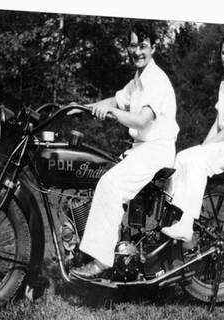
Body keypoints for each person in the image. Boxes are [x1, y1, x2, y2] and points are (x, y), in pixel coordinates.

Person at [70, 22, 179, 279]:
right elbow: (115, 100)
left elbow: (142, 120)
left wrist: (113, 113)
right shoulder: (138, 80)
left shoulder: (156, 79)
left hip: (155, 148)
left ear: (153, 47)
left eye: (143, 45)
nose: (137, 51)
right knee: (95, 176)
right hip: (141, 148)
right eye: (133, 45)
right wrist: (80, 108)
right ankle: (105, 248)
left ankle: (101, 262)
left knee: (110, 185)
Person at [161, 33, 224, 242]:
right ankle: (172, 215)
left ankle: (186, 227)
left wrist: (203, 151)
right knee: (181, 158)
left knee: (198, 162)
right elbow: (218, 123)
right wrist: (202, 146)